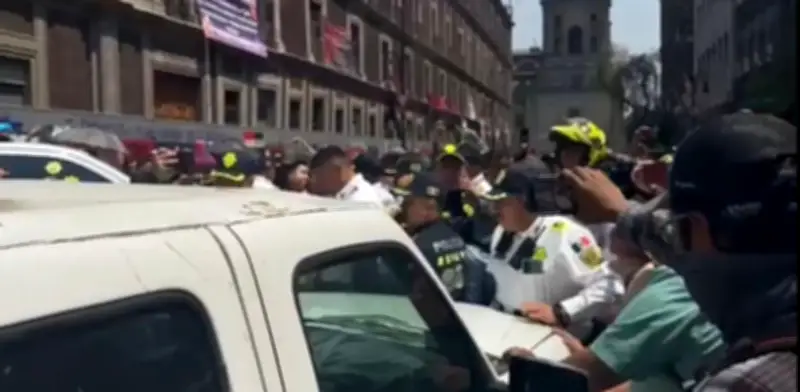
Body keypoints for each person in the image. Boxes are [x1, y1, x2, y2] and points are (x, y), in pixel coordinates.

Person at [480, 167, 623, 338]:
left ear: (524, 201)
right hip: (507, 330)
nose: (494, 209)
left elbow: (610, 285)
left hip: (554, 338)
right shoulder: (500, 232)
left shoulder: (568, 233)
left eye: (501, 202)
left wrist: (563, 312)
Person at [393, 172, 493, 304]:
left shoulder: (418, 248)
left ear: (428, 208)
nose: (401, 209)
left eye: (407, 204)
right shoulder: (453, 236)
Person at [308, 146, 384, 207]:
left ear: (335, 172)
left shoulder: (360, 201)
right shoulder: (348, 195)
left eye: (314, 176)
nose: (310, 181)